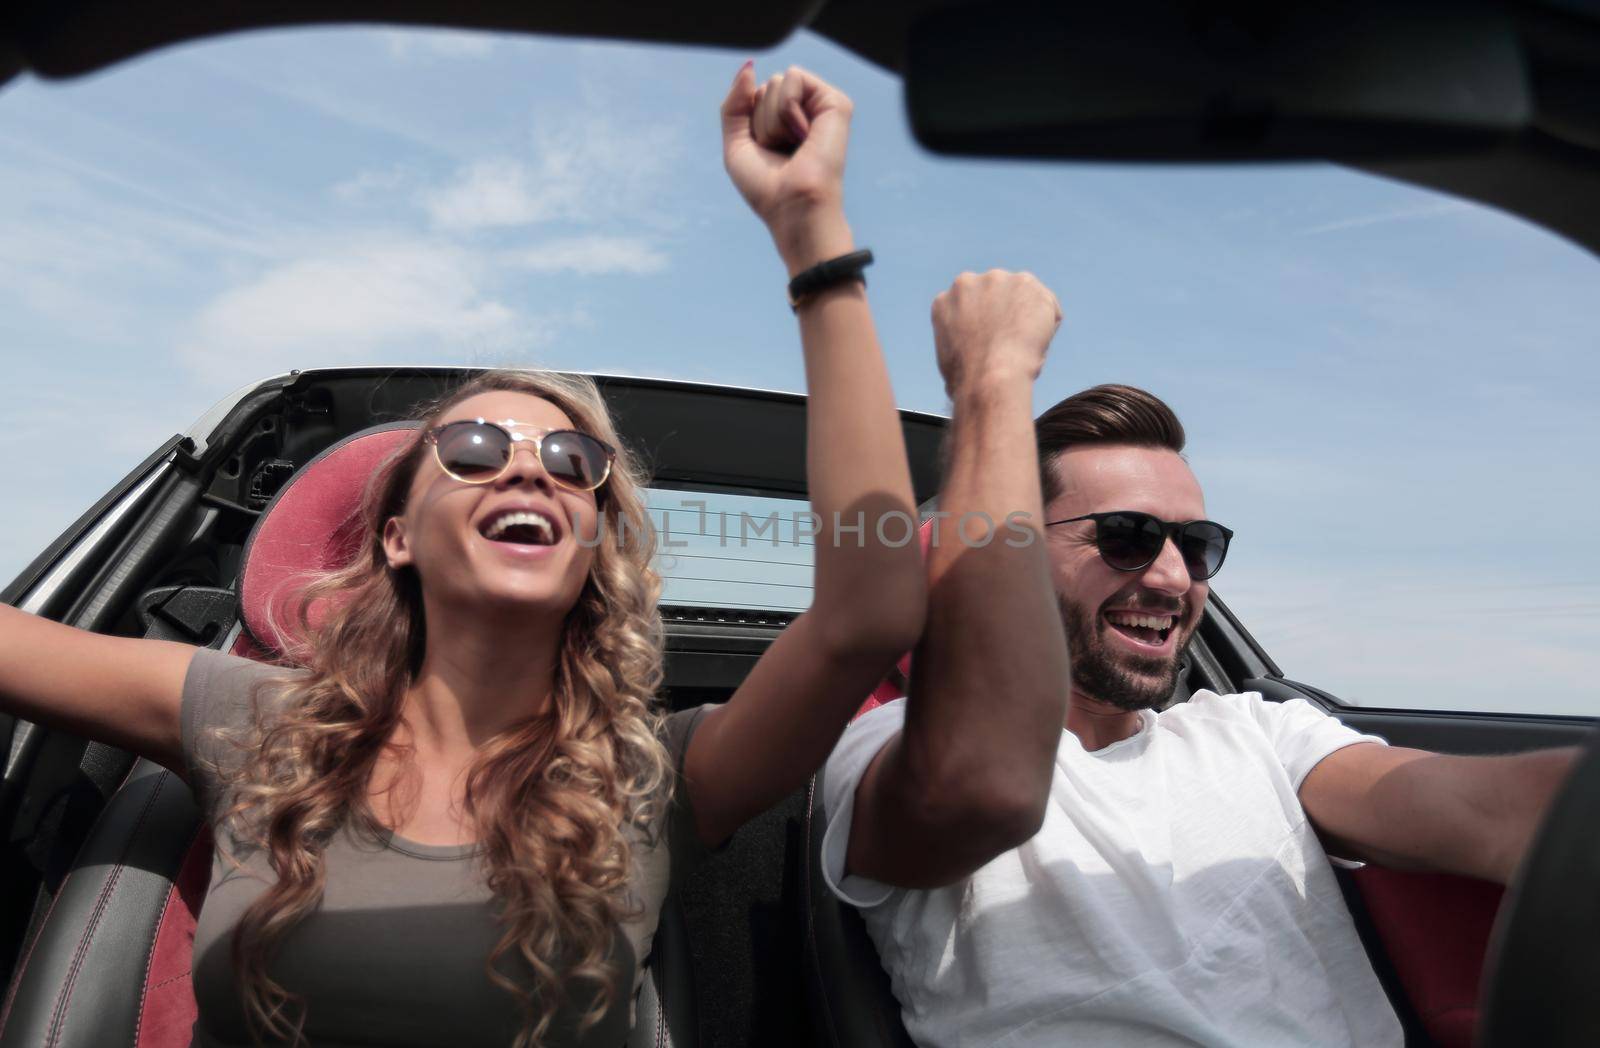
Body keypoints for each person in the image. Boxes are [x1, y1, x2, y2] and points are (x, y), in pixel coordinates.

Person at [0, 64, 925, 1048]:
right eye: (476, 450)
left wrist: (811, 232)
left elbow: (867, 613)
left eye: (575, 464)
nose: (530, 473)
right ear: (397, 537)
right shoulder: (248, 715)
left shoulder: (653, 771)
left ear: (594, 545)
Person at [820, 269, 1581, 1047]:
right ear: (1017, 550)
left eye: (1197, 544)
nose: (1174, 577)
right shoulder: (886, 746)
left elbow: (1489, 809)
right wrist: (990, 380)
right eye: (1126, 536)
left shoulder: (1259, 734)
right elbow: (978, 784)